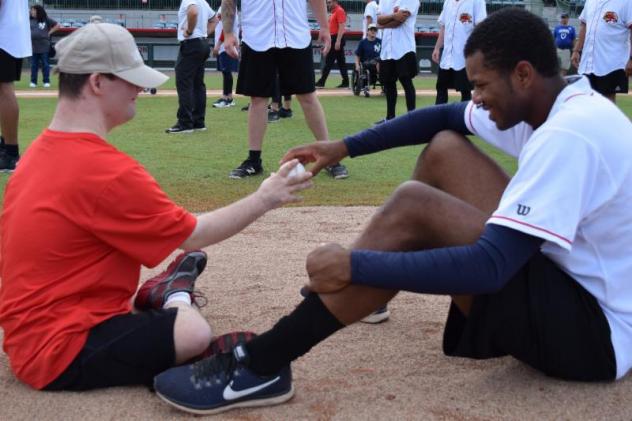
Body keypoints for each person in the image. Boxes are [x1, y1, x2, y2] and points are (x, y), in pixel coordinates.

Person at [153, 8, 632, 414]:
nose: (476, 98)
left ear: (523, 74)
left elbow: (490, 267)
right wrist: (343, 146)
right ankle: (368, 291)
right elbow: (442, 118)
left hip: (593, 339)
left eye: (482, 85)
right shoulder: (554, 104)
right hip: (568, 289)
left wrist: (356, 264)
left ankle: (260, 365)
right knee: (445, 146)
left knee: (413, 203)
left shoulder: (569, 134)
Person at [0, 22, 313, 392]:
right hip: (57, 352)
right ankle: (174, 296)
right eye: (130, 79)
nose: (140, 88)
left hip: (29, 333)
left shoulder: (39, 152)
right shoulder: (104, 170)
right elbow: (195, 235)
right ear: (97, 82)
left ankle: (165, 293)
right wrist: (266, 197)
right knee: (193, 331)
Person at [223, 0, 349, 180]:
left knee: (307, 96)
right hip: (258, 35)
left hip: (294, 33)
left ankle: (328, 156)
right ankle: (253, 160)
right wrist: (228, 33)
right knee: (258, 99)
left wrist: (324, 26)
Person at [165, 0, 218, 133]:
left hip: (191, 43)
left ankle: (185, 123)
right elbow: (215, 20)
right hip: (202, 43)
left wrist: (189, 31)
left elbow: (193, 12)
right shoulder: (203, 2)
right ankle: (198, 121)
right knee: (197, 84)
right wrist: (204, 33)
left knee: (184, 82)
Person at [571, 0, 632, 103]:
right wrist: (576, 50)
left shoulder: (626, 2)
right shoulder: (590, 1)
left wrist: (631, 58)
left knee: (607, 102)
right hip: (588, 63)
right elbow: (584, 25)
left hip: (612, 64)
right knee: (587, 101)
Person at [432, 0, 486, 104]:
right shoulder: (448, 2)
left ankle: (465, 119)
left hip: (465, 57)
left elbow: (481, 27)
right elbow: (444, 27)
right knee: (441, 88)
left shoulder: (477, 1)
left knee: (465, 91)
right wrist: (437, 47)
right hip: (447, 56)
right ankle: (439, 119)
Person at [376, 0, 420, 123]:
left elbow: (399, 22)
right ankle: (390, 118)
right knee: (389, 83)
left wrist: (384, 23)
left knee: (406, 81)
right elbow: (379, 19)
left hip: (403, 46)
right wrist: (393, 16)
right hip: (387, 48)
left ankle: (412, 118)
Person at [0, 0, 30, 172]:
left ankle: (11, 153)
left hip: (4, 34)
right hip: (10, 33)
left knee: (3, 87)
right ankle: (6, 148)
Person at [315, 0, 349, 89]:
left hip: (336, 39)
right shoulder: (334, 12)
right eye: (327, 2)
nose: (328, 4)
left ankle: (322, 81)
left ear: (335, 2)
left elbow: (342, 27)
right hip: (334, 39)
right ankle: (346, 82)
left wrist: (338, 41)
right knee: (340, 62)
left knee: (329, 61)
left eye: (330, 2)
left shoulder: (339, 11)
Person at [212, 12, 239, 109]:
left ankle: (227, 98)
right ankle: (227, 97)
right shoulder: (222, 7)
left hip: (226, 45)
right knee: (225, 72)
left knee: (227, 72)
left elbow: (226, 28)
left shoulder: (230, 7)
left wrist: (218, 45)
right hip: (223, 46)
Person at [29, 4, 60, 88]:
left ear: (38, 11)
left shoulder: (46, 19)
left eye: (33, 10)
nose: (31, 12)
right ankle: (33, 82)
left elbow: (57, 25)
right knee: (33, 65)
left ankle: (46, 81)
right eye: (31, 10)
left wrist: (49, 33)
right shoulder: (29, 20)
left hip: (44, 45)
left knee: (45, 64)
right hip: (33, 46)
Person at [354, 23, 381, 95]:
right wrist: (357, 65)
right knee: (373, 64)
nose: (373, 31)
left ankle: (386, 85)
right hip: (367, 63)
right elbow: (357, 55)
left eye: (375, 30)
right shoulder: (363, 42)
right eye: (371, 30)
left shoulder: (380, 41)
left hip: (379, 63)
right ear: (368, 31)